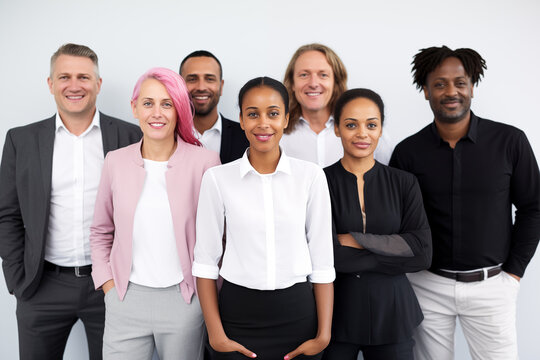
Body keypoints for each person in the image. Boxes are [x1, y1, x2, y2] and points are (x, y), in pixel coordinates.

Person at [390, 46, 540, 360]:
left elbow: (533, 207)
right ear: (426, 91)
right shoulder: (408, 152)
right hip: (427, 285)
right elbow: (399, 221)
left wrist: (513, 274)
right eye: (440, 84)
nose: (451, 91)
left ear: (472, 86)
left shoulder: (510, 142)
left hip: (492, 285)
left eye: (460, 82)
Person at [0, 43, 141, 360]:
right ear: (51, 84)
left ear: (98, 84)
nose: (74, 85)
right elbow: (6, 215)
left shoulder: (131, 137)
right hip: (41, 286)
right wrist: (17, 279)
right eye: (64, 77)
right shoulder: (20, 140)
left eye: (84, 77)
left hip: (109, 286)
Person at [193, 77, 335, 360]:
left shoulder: (311, 177)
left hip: (297, 314)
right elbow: (205, 262)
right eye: (253, 114)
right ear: (242, 120)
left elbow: (322, 261)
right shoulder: (218, 179)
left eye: (273, 113)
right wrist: (216, 334)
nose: (263, 123)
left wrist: (324, 335)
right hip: (237, 314)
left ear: (286, 119)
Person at [90, 67, 220, 360]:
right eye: (148, 103)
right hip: (125, 298)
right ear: (134, 108)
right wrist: (109, 287)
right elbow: (100, 230)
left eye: (167, 103)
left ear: (179, 110)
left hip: (184, 300)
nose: (157, 113)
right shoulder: (116, 161)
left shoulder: (206, 162)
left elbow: (217, 238)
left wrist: (203, 299)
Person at [322, 89, 431, 360]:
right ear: (336, 129)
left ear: (381, 128)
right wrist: (391, 250)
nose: (362, 134)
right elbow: (322, 254)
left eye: (371, 124)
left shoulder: (404, 182)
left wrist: (356, 240)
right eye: (351, 125)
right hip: (336, 313)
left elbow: (422, 254)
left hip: (394, 312)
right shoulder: (318, 182)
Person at [281, 43, 393, 167]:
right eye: (304, 75)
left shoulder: (370, 133)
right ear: (292, 83)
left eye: (323, 75)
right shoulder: (277, 135)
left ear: (335, 82)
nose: (313, 83)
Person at [180, 50, 249, 163]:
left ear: (221, 87)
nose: (201, 87)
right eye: (192, 79)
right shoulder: (167, 136)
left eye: (209, 79)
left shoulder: (247, 137)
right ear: (180, 86)